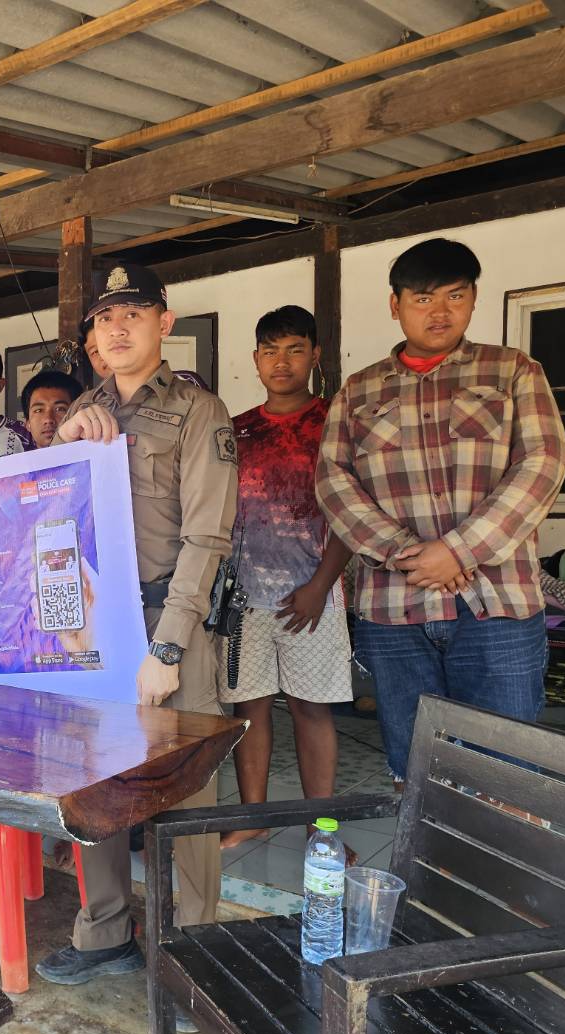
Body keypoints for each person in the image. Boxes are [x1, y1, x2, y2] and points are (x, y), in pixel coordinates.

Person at [35, 264, 236, 1007]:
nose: (117, 328)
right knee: (95, 785)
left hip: (166, 623)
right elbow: (47, 515)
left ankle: (195, 957)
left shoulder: (197, 411)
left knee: (186, 791)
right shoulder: (83, 411)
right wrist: (61, 443)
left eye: (133, 313)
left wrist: (169, 647)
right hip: (95, 629)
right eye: (105, 317)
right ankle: (104, 933)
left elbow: (207, 538)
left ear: (164, 322)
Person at [316, 238, 565, 782]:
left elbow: (543, 463)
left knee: (507, 768)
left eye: (455, 296)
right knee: (416, 767)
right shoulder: (358, 392)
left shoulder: (512, 372)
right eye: (423, 298)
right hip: (395, 610)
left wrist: (458, 551)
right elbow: (334, 484)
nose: (440, 311)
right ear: (396, 305)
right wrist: (409, 555)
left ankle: (496, 842)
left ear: (474, 299)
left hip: (496, 606)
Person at [218, 306, 353, 849]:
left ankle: (321, 829)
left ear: (315, 356)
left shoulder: (334, 424)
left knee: (310, 708)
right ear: (255, 359)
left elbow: (351, 514)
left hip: (312, 594)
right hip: (244, 598)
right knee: (249, 708)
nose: (282, 362)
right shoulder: (237, 430)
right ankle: (252, 816)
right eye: (270, 351)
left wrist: (320, 585)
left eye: (295, 349)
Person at [22, 370, 85, 449]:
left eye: (60, 409)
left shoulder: (96, 453)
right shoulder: (16, 456)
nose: (48, 419)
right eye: (39, 410)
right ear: (28, 424)